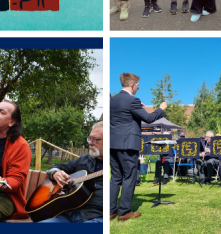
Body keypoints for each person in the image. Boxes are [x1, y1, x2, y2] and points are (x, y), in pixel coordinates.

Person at [110, 73, 167, 221]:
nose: (138, 87)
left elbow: (123, 118)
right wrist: (160, 109)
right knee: (130, 176)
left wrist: (137, 109)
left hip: (112, 144)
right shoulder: (132, 100)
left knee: (116, 177)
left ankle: (110, 211)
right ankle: (124, 212)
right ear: (132, 85)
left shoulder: (112, 100)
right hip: (128, 144)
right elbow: (148, 118)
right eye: (138, 85)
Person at [39, 122, 103, 223]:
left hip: (95, 217)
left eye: (95, 139)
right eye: (89, 138)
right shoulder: (83, 159)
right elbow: (58, 167)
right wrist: (55, 173)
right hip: (67, 215)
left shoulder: (114, 166)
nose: (90, 143)